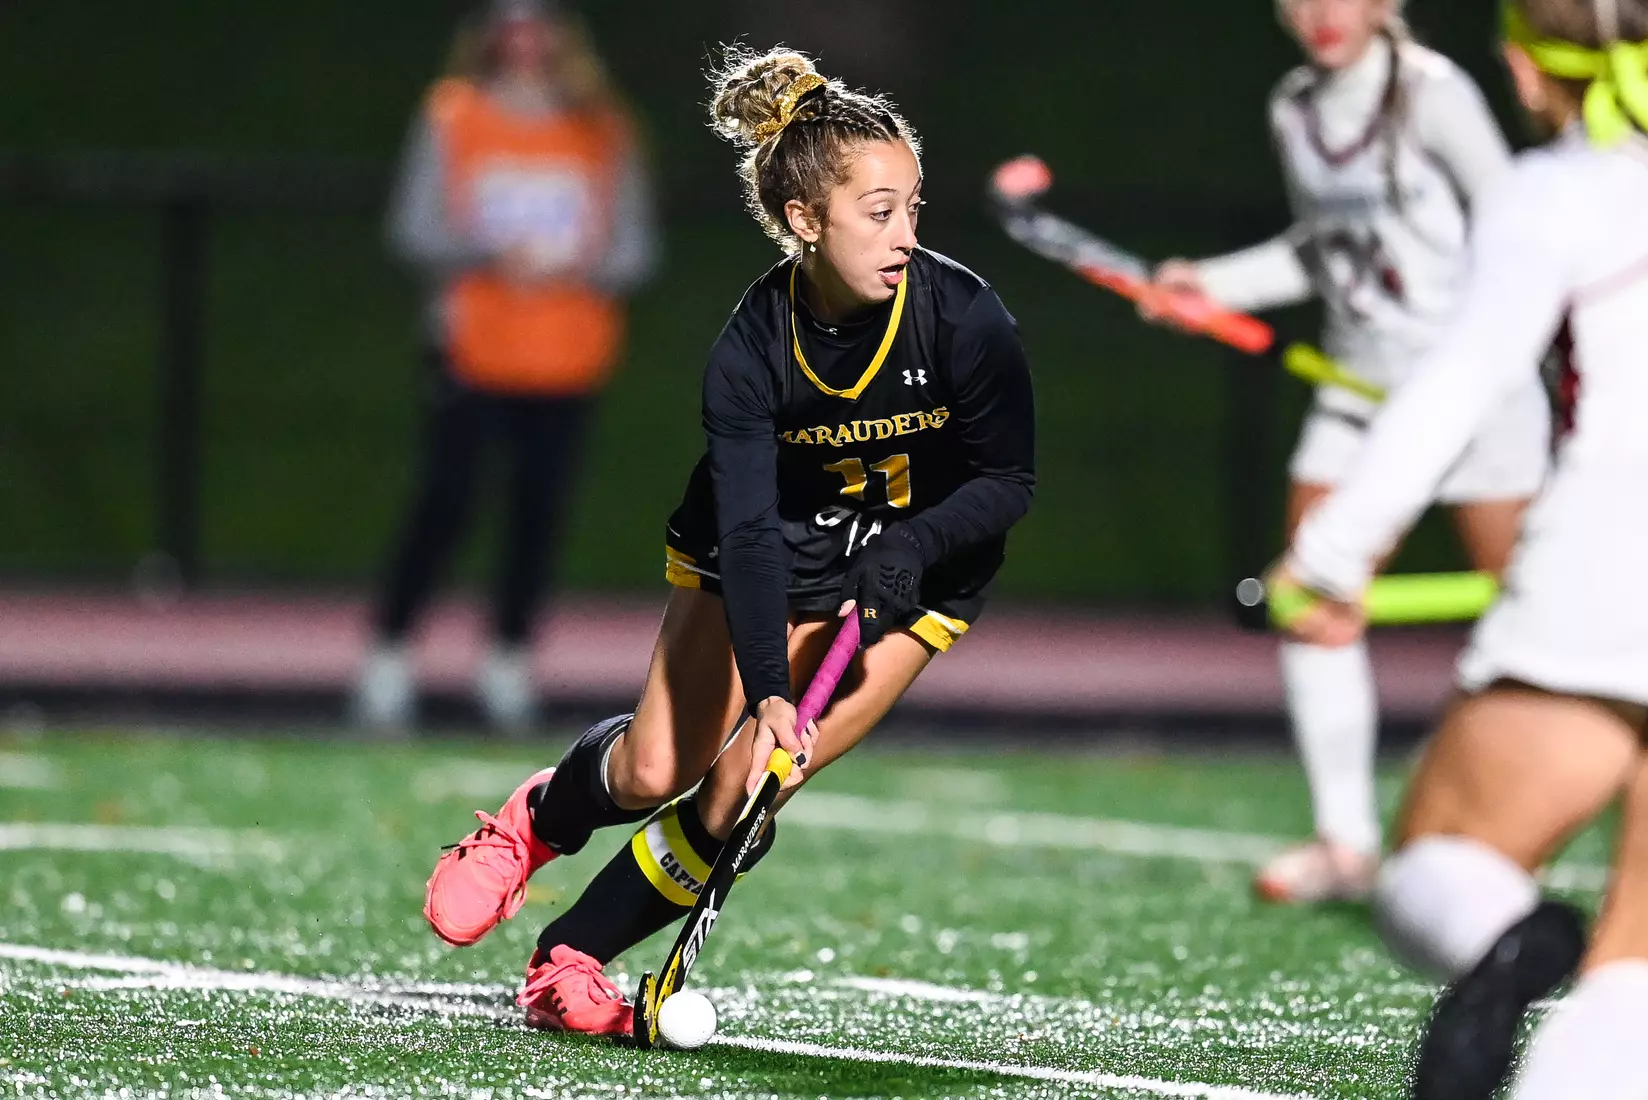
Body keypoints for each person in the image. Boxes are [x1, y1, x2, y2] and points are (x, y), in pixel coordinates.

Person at [419, 47, 1037, 1036]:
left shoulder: (961, 317)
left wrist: (914, 545)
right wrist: (775, 681)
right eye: (879, 213)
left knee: (742, 788)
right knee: (656, 769)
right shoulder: (750, 350)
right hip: (764, 551)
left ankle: (566, 956)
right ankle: (535, 820)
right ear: (804, 220)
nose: (905, 235)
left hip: (921, 568)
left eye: (912, 206)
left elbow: (1007, 480)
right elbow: (747, 533)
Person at [1274, 0, 1648, 1093]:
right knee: (1637, 971)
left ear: (1532, 70)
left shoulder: (1560, 192)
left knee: (1439, 867)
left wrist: (1331, 556)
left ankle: (1510, 943)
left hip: (1609, 571)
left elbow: (1458, 383)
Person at [1147, 0, 1549, 903]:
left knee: (1527, 612)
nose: (1322, 13)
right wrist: (1207, 286)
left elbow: (1523, 230)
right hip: (1358, 393)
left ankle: (1519, 832)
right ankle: (1346, 844)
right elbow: (1321, 254)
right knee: (1307, 595)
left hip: (1473, 394)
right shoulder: (1293, 107)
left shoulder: (1435, 97)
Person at [353, 0, 657, 734]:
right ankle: (390, 654)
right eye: (510, 25)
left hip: (566, 356)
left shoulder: (600, 128)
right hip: (473, 348)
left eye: (538, 24)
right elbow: (416, 227)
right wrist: (493, 255)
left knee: (538, 513)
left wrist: (575, 263)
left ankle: (508, 660)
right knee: (447, 501)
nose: (524, 41)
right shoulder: (454, 115)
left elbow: (633, 249)